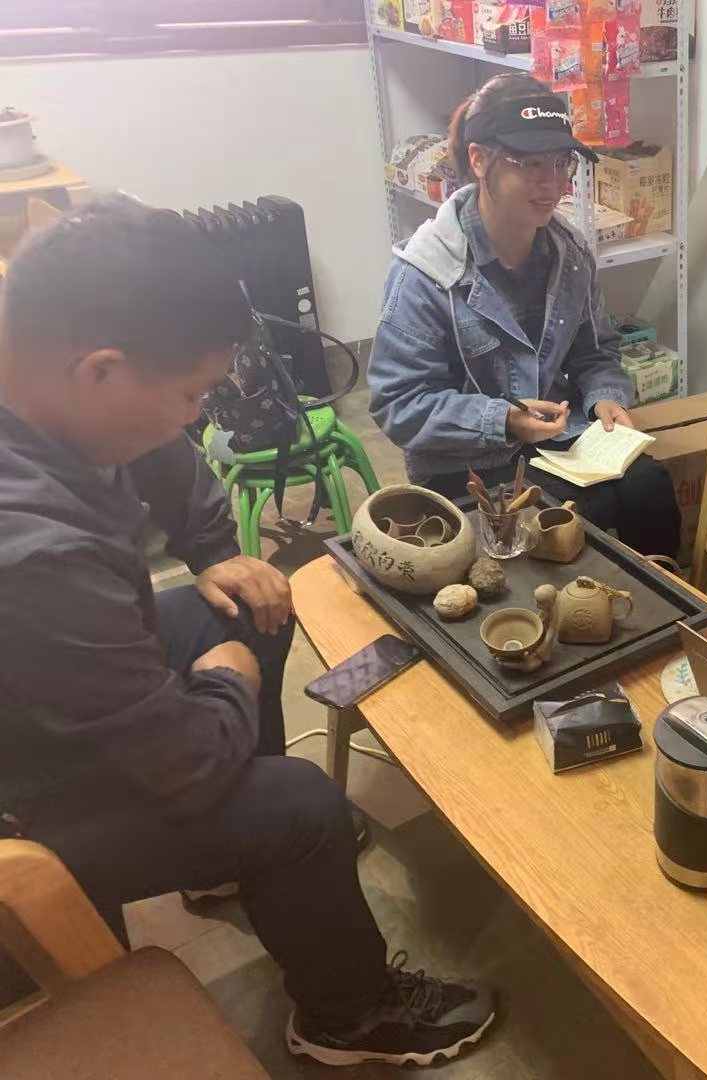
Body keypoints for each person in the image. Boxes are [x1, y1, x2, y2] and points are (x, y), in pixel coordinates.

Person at [0, 197, 496, 1068]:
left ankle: (227, 855)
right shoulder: (34, 554)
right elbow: (182, 757)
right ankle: (349, 1016)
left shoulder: (46, 381)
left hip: (45, 692)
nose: (196, 418)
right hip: (23, 806)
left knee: (246, 602)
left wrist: (214, 553)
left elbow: (161, 456)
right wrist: (227, 681)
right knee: (301, 800)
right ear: (103, 372)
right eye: (191, 396)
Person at [368, 73, 681, 558]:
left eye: (560, 163)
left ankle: (668, 603)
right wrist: (503, 419)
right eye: (530, 163)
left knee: (649, 488)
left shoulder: (569, 253)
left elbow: (595, 351)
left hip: (558, 441)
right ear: (479, 160)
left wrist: (604, 397)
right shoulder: (427, 271)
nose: (552, 183)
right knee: (564, 522)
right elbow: (399, 404)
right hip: (463, 462)